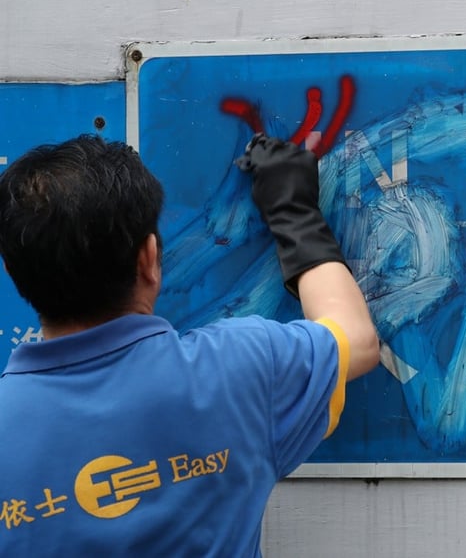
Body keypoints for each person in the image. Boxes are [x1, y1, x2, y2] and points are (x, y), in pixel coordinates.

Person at [0, 134, 380, 556]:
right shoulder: (239, 368)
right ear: (148, 259)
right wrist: (294, 210)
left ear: (16, 271)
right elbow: (355, 339)